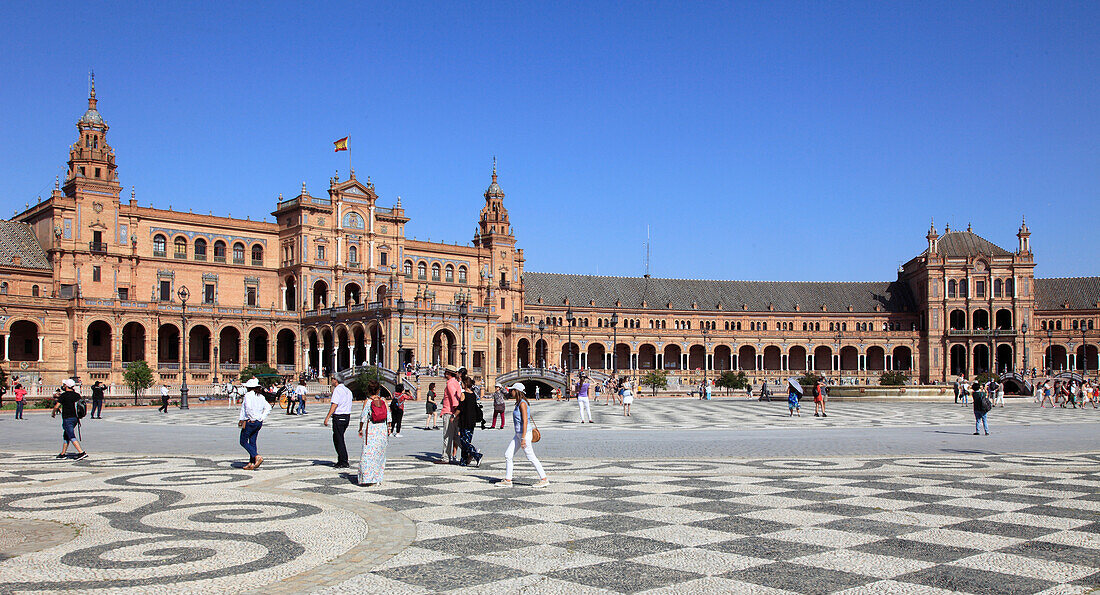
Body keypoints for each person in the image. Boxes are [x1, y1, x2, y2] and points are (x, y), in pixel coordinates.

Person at [498, 383, 548, 488]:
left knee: (531, 456)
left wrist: (523, 438)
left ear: (517, 391)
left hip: (524, 434)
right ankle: (508, 480)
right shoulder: (518, 402)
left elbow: (525, 421)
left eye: (512, 390)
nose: (510, 392)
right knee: (508, 455)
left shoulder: (522, 404)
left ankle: (544, 479)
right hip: (518, 434)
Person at [357, 380, 390, 485]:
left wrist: (360, 429)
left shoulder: (368, 401)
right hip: (382, 430)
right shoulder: (384, 400)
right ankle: (378, 478)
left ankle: (367, 478)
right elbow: (389, 417)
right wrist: (389, 429)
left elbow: (363, 418)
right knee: (380, 454)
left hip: (372, 429)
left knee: (368, 454)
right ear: (379, 390)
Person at [237, 378, 273, 470]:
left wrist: (252, 418)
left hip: (250, 422)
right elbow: (268, 407)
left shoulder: (248, 395)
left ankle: (256, 456)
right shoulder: (260, 396)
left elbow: (248, 408)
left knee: (243, 441)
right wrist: (261, 417)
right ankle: (251, 462)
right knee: (252, 442)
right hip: (258, 422)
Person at [52, 379, 87, 460]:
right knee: (66, 435)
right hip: (75, 418)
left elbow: (56, 406)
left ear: (66, 386)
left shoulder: (64, 395)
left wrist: (53, 413)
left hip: (67, 418)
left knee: (71, 435)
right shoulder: (77, 395)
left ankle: (81, 452)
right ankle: (62, 453)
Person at [323, 376, 353, 468]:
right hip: (346, 416)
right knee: (339, 438)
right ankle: (342, 459)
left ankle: (343, 460)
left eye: (332, 379)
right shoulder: (348, 390)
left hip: (339, 416)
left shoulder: (337, 390)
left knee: (338, 439)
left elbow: (334, 404)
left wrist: (327, 417)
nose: (331, 380)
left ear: (336, 380)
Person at [435, 365, 461, 464]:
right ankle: (470, 452)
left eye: (446, 372)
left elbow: (454, 400)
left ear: (448, 374)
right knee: (456, 436)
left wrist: (454, 413)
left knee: (447, 436)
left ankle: (445, 457)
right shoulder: (456, 383)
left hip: (449, 412)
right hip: (453, 412)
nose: (445, 374)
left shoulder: (450, 384)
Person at [455, 376, 483, 467]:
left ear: (465, 384)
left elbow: (461, 407)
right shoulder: (473, 394)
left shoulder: (464, 394)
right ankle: (464, 461)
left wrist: (454, 415)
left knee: (464, 441)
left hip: (464, 420)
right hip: (472, 420)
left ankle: (476, 454)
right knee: (467, 439)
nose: (461, 385)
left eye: (462, 383)